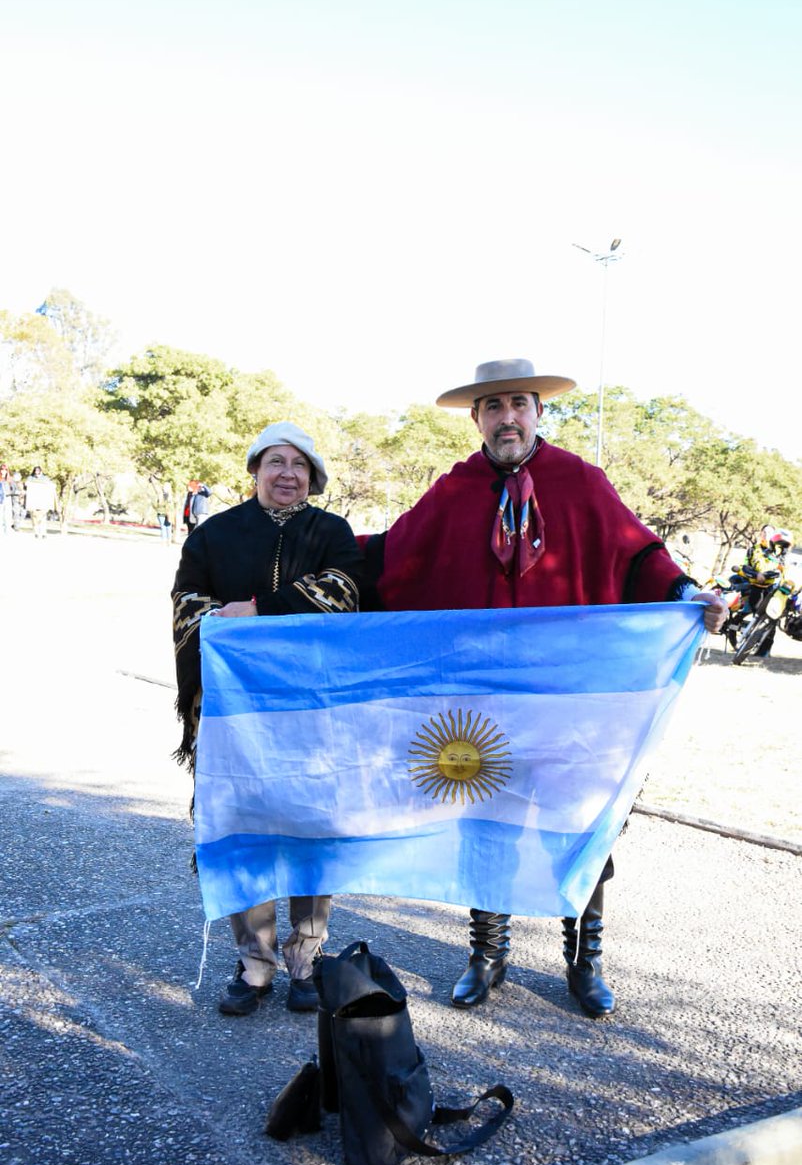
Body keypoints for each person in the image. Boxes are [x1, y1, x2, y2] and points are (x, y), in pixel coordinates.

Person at [362, 358, 727, 1018]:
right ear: (477, 418)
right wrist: (305, 567)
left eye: (519, 404)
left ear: (538, 412)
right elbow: (390, 558)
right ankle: (487, 956)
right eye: (493, 407)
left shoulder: (581, 483)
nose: (507, 418)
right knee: (488, 830)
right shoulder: (453, 491)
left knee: (584, 824)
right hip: (481, 705)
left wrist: (682, 593)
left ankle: (583, 963)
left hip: (570, 703)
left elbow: (638, 555)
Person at [171, 422, 362, 1016]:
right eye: (276, 462)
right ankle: (254, 962)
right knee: (243, 825)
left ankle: (306, 958)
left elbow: (346, 591)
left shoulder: (331, 532)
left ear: (312, 477)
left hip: (311, 710)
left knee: (310, 826)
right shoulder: (215, 533)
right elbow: (186, 603)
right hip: (234, 714)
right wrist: (219, 620)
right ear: (255, 469)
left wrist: (257, 611)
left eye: (299, 466)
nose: (287, 474)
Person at [741, 524, 794, 657]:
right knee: (756, 613)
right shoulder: (753, 549)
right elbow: (745, 566)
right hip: (756, 586)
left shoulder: (781, 551)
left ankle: (764, 651)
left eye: (769, 532)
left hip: (774, 588)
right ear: (761, 533)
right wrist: (755, 575)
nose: (766, 534)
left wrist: (766, 575)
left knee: (772, 617)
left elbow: (780, 569)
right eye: (764, 532)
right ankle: (749, 643)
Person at [24, 466, 56, 540]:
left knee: (43, 519)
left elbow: (52, 485)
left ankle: (44, 533)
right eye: (36, 471)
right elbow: (26, 484)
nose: (37, 472)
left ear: (41, 471)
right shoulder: (30, 478)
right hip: (33, 502)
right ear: (34, 471)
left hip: (43, 502)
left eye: (38, 471)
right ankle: (36, 533)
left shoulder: (45, 478)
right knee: (34, 519)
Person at [0, 464, 12, 536]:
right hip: (0, 498)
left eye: (5, 470)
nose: (3, 471)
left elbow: (14, 489)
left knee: (7, 514)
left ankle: (7, 530)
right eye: (2, 469)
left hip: (8, 498)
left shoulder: (10, 480)